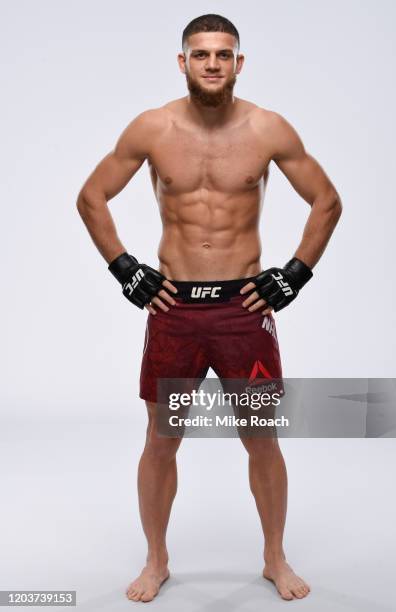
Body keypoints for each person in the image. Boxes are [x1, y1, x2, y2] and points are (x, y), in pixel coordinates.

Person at [76, 13, 342, 603]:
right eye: (201, 54)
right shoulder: (152, 127)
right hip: (174, 314)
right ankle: (157, 560)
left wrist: (294, 274)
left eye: (224, 54)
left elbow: (326, 200)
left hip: (243, 311)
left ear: (239, 62)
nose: (213, 64)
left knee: (261, 436)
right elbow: (91, 196)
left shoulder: (268, 128)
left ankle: (274, 557)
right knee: (160, 438)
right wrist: (126, 268)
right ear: (183, 62)